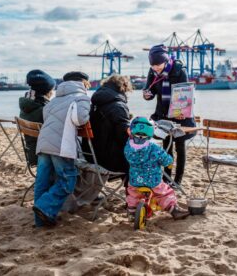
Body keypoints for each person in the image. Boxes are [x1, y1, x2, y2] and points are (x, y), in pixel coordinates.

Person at [33, 71, 91, 227]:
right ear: (83, 83)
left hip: (44, 143)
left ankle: (40, 221)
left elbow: (47, 117)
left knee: (42, 181)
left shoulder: (54, 100)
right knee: (67, 180)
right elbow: (79, 119)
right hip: (61, 145)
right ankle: (44, 207)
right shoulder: (81, 98)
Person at [143, 44, 196, 185]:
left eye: (158, 64)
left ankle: (177, 181)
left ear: (166, 60)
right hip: (163, 115)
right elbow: (150, 91)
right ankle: (166, 179)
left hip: (181, 115)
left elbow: (186, 95)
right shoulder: (152, 72)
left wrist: (182, 112)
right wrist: (147, 94)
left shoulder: (179, 70)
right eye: (153, 65)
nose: (156, 68)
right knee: (166, 147)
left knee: (180, 146)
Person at [124, 117, 189, 220]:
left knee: (133, 194)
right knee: (164, 193)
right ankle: (173, 209)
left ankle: (131, 210)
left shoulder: (128, 147)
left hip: (135, 180)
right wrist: (169, 162)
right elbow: (165, 158)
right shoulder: (153, 148)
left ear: (131, 132)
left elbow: (127, 157)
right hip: (153, 180)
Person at [82, 75, 132, 182]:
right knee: (139, 155)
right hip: (109, 161)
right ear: (123, 87)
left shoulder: (94, 104)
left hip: (91, 157)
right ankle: (133, 193)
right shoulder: (118, 105)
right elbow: (124, 137)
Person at [19, 69, 56, 166]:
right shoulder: (44, 109)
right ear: (47, 92)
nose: (53, 92)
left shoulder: (26, 106)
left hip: (31, 152)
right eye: (52, 89)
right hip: (44, 154)